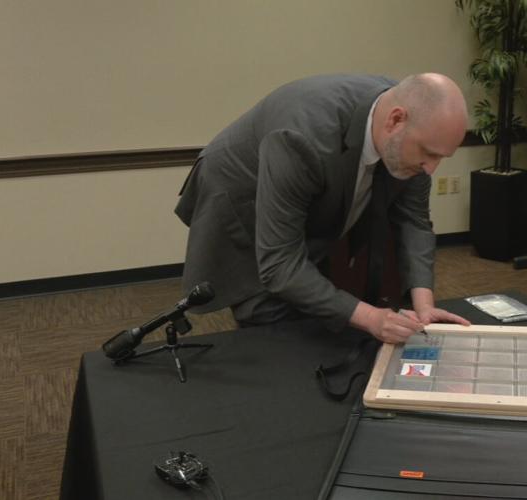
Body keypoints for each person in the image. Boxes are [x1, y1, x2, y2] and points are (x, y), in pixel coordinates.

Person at [175, 73, 471, 344]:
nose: (431, 169)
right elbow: (280, 264)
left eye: (441, 157)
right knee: (273, 320)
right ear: (395, 121)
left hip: (304, 191)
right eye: (429, 154)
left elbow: (414, 221)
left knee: (318, 305)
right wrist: (371, 318)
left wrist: (424, 306)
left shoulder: (413, 126)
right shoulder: (301, 138)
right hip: (240, 199)